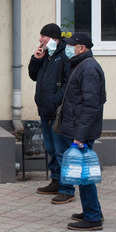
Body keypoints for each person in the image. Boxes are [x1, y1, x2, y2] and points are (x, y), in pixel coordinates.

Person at [54, 32, 106, 231]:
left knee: (84, 176)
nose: (68, 48)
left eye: (71, 45)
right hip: (79, 130)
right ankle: (93, 211)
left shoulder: (89, 68)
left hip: (82, 132)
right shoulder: (82, 65)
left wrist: (81, 136)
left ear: (81, 48)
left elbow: (91, 105)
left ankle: (93, 218)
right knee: (83, 175)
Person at [27, 23, 72, 201]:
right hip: (44, 111)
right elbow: (33, 75)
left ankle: (67, 189)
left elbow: (68, 84)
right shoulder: (46, 54)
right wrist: (36, 58)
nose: (40, 39)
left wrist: (55, 101)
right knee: (51, 149)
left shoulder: (65, 55)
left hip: (58, 112)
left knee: (61, 150)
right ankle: (55, 181)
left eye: (43, 36)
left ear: (54, 38)